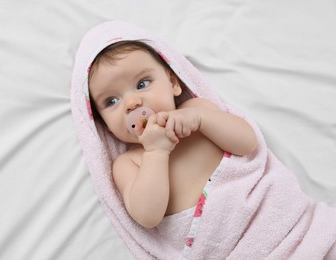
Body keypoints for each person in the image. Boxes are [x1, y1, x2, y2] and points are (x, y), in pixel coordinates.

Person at [87, 40, 258, 228]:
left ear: (173, 83)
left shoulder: (197, 110)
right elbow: (147, 217)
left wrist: (200, 119)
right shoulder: (128, 163)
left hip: (255, 212)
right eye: (111, 101)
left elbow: (248, 144)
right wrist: (155, 153)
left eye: (142, 83)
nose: (132, 103)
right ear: (106, 126)